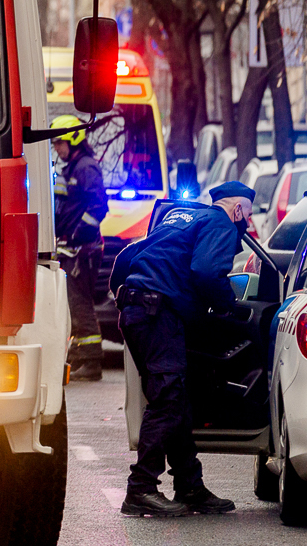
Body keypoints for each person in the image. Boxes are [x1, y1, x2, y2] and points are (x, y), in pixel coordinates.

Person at [108, 180, 255, 517]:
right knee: (169, 400)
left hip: (138, 311)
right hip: (158, 315)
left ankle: (190, 486)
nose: (246, 222)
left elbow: (128, 255)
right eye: (246, 214)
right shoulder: (221, 222)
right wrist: (227, 305)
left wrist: (126, 292)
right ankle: (141, 488)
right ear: (237, 210)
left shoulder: (180, 215)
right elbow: (205, 271)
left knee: (177, 401)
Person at [51, 115, 109, 381]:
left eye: (59, 143)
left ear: (73, 139)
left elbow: (98, 207)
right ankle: (78, 355)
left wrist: (77, 235)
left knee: (80, 304)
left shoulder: (85, 168)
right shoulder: (72, 168)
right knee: (73, 305)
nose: (56, 148)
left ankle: (91, 361)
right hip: (73, 248)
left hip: (83, 250)